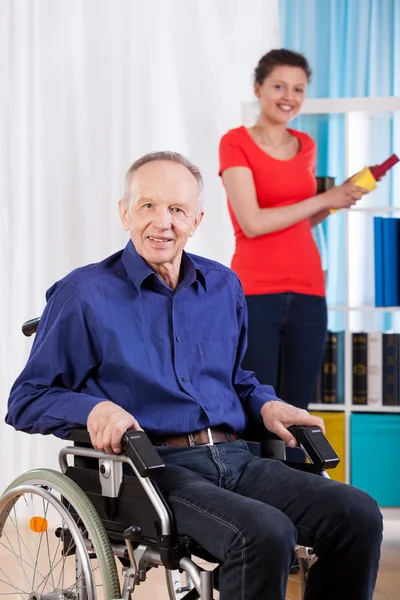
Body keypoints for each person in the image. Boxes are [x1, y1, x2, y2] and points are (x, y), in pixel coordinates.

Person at [6, 152, 381, 600]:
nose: (162, 222)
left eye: (177, 210)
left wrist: (266, 403)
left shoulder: (223, 286)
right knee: (264, 533)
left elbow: (236, 379)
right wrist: (94, 409)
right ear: (124, 212)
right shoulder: (83, 294)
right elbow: (26, 398)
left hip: (236, 457)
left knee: (357, 513)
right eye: (148, 206)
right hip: (154, 472)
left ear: (197, 220)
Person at [219, 49, 366, 411]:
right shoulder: (235, 142)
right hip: (256, 291)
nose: (289, 97)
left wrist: (334, 200)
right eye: (279, 86)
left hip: (309, 290)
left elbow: (298, 220)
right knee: (258, 408)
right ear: (258, 88)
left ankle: (297, 472)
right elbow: (252, 223)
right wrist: (321, 199)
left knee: (298, 411)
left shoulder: (306, 146)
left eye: (298, 89)